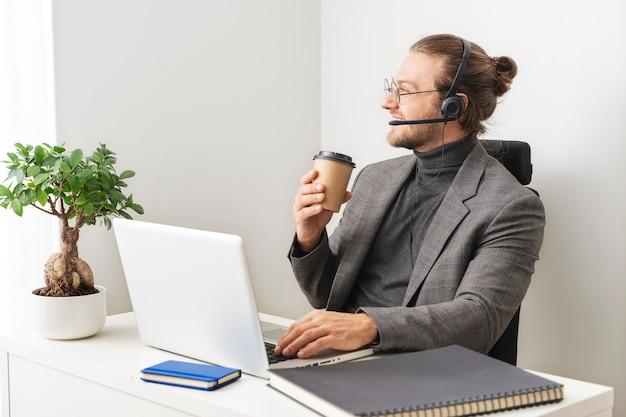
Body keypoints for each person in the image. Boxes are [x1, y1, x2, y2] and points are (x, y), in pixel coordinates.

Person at [274, 34, 546, 360]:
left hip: (418, 371)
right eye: (393, 87)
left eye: (405, 91)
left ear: (454, 106)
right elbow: (325, 297)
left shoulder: (510, 206)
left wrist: (369, 326)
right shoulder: (375, 178)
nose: (388, 102)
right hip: (335, 360)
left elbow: (480, 319)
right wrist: (310, 237)